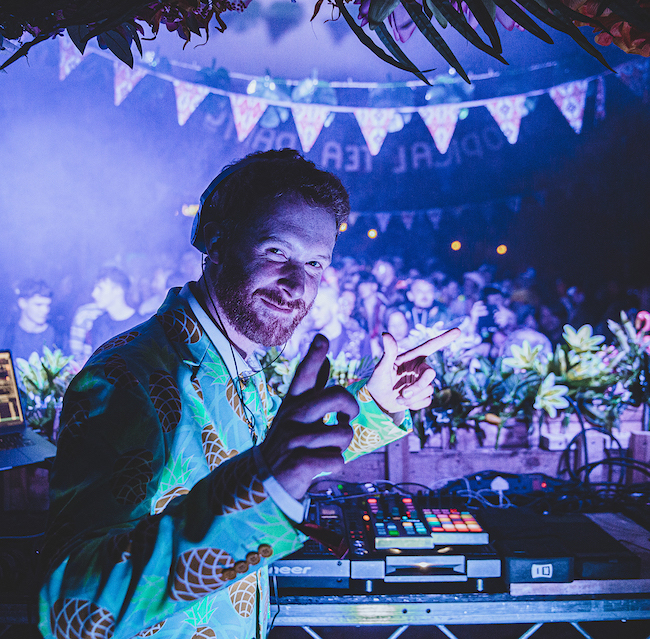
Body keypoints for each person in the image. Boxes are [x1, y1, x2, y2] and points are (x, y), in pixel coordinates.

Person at [39, 149, 458, 639]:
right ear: (216, 243)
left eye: (315, 263)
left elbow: (279, 456)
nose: (296, 284)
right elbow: (71, 609)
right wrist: (263, 491)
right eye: (277, 252)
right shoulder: (127, 376)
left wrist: (378, 403)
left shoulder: (236, 362)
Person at [300, 285, 372, 361]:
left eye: (318, 308)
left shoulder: (359, 338)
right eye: (311, 309)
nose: (313, 313)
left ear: (334, 307)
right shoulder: (307, 340)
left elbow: (368, 367)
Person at [2, 279, 61, 361]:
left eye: (47, 305)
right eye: (38, 305)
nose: (45, 310)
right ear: (22, 303)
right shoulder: (6, 335)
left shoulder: (58, 338)